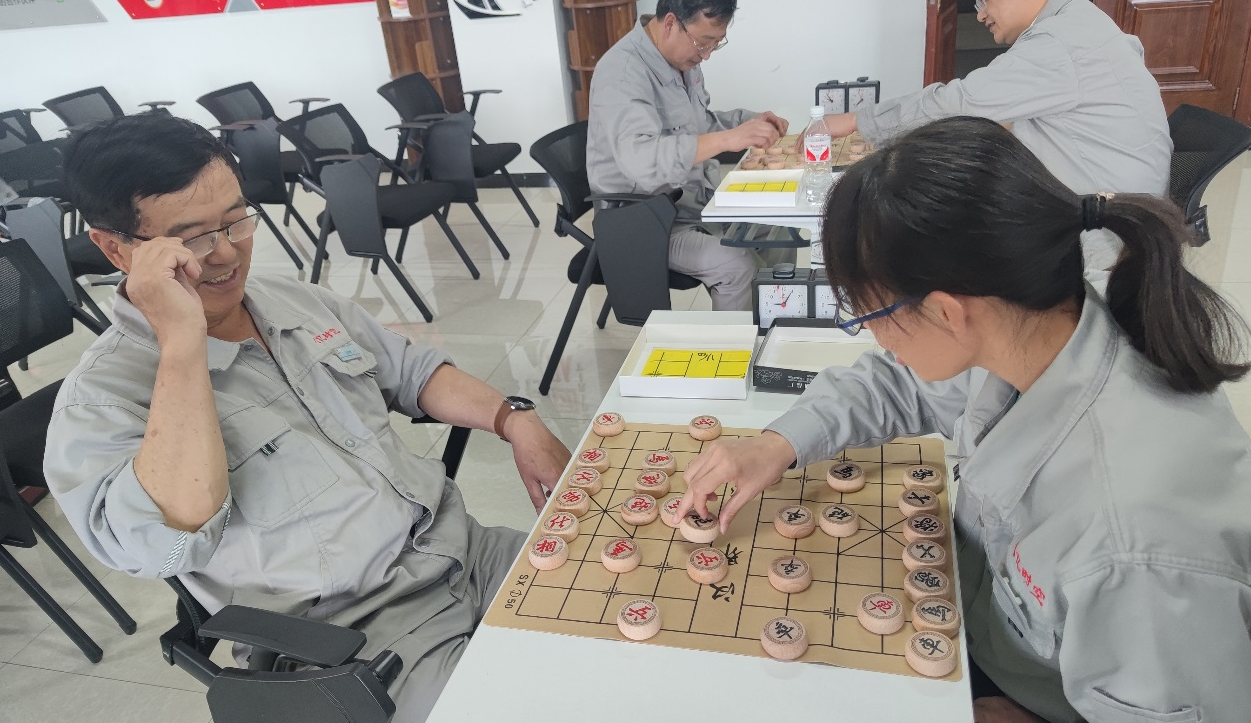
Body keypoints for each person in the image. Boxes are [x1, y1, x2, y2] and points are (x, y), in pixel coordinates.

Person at [676, 117, 1251, 723]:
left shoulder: (1132, 545)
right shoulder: (1033, 321)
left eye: (870, 316)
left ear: (948, 312)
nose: (874, 338)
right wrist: (777, 444)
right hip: (975, 623)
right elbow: (898, 381)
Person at [43, 113, 571, 723]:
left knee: (641, 596)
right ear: (116, 249)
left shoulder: (292, 300)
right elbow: (162, 545)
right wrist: (182, 342)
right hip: (356, 638)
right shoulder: (101, 402)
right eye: (191, 240)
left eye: (236, 220)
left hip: (463, 551)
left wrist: (514, 419)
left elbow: (412, 372)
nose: (226, 253)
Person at [821, 0, 1171, 276]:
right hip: (1120, 216)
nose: (980, 14)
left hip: (1102, 242)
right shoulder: (1081, 21)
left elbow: (960, 102)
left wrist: (856, 121)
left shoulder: (1059, 43)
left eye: (985, 0)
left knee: (937, 233)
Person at [587, 0, 791, 311]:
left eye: (716, 43)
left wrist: (748, 123)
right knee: (737, 266)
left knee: (777, 230)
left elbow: (699, 125)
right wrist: (727, 139)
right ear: (671, 23)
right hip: (643, 218)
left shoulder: (682, 59)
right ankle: (735, 342)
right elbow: (642, 160)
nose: (706, 55)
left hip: (691, 201)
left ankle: (772, 324)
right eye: (703, 42)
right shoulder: (622, 73)